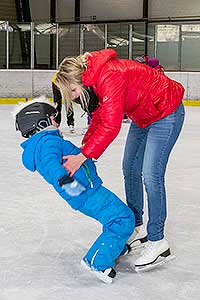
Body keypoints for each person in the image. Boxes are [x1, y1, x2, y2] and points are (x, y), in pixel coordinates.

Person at [54, 49, 185, 271]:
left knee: (151, 175)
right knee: (130, 169)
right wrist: (83, 151)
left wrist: (84, 156)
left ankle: (158, 241)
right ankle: (136, 226)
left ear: (80, 79)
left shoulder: (108, 75)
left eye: (73, 91)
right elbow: (98, 119)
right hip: (143, 115)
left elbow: (111, 125)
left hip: (165, 112)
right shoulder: (93, 82)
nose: (74, 96)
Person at [14, 96, 135, 283]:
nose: (57, 122)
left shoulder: (42, 143)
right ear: (42, 122)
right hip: (84, 192)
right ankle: (96, 262)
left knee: (118, 216)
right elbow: (51, 164)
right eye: (54, 118)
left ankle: (114, 246)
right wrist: (67, 182)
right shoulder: (47, 142)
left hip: (85, 190)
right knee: (122, 219)